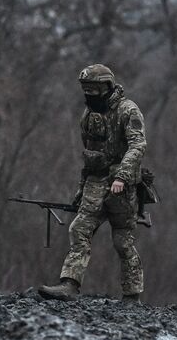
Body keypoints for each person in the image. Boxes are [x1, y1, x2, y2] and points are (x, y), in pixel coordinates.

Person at [37, 64, 147, 303]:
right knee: (79, 229)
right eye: (86, 90)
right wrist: (80, 189)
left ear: (107, 87)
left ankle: (132, 295)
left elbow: (137, 145)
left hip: (122, 187)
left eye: (94, 90)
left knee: (123, 241)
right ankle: (69, 284)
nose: (89, 95)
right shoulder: (88, 116)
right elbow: (89, 154)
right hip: (95, 182)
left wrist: (122, 177)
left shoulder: (128, 111)